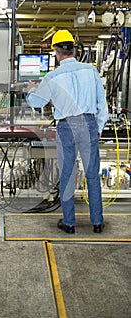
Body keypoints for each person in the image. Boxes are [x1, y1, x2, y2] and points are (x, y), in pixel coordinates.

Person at [26, 29, 108, 234]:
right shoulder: (91, 71)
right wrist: (98, 127)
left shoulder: (52, 76)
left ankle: (69, 223)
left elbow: (37, 102)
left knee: (68, 175)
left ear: (56, 51)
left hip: (66, 127)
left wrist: (30, 89)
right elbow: (102, 104)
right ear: (73, 48)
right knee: (92, 175)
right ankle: (97, 222)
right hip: (89, 125)